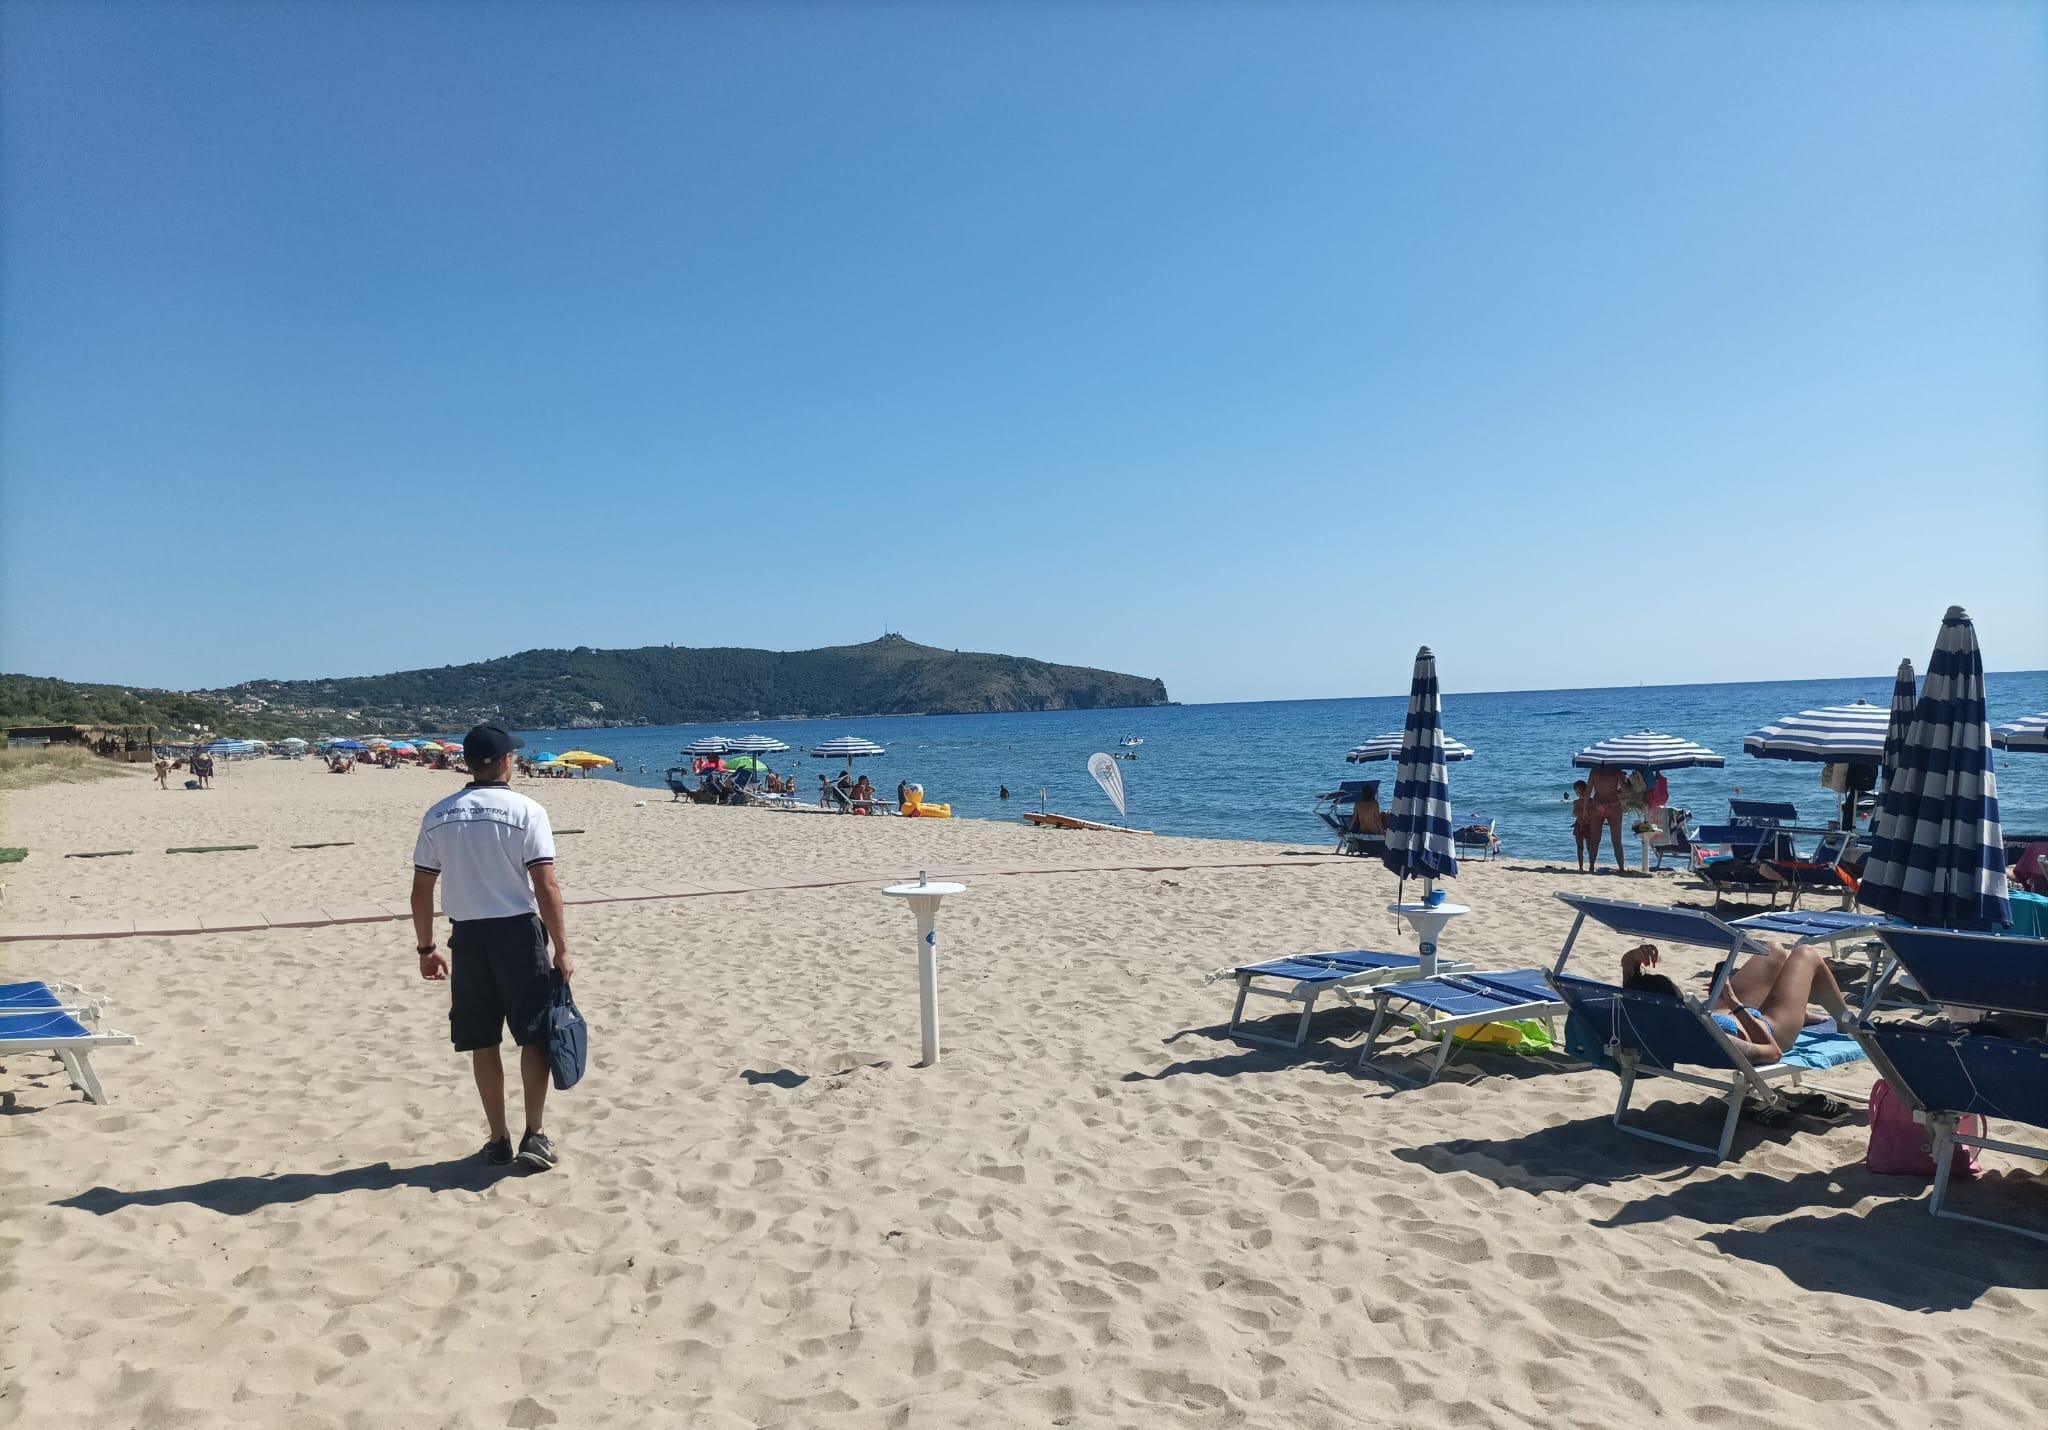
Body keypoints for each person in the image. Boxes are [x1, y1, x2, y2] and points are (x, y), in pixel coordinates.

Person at [411, 724, 575, 1172]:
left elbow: (421, 890)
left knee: (482, 1040)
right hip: (518, 935)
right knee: (535, 1035)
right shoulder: (527, 811)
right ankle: (534, 1133)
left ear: (468, 762)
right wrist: (562, 947)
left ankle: (498, 1138)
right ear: (506, 762)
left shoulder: (439, 814)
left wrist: (426, 947)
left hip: (467, 939)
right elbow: (546, 885)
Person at [1620, 941, 1850, 1066]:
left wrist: (1631, 958)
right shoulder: (1705, 1035)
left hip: (1725, 1012)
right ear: (1678, 1004)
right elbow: (1773, 1052)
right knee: (1806, 953)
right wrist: (1734, 1003)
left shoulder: (1639, 1016)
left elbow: (1632, 989)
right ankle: (1845, 1021)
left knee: (1773, 950)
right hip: (1769, 1026)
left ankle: (1803, 1012)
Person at [1586, 765, 1628, 870]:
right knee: (1617, 840)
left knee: (1595, 838)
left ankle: (1591, 866)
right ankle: (1621, 868)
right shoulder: (1616, 770)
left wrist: (1583, 811)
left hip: (1597, 805)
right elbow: (1625, 791)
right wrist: (1624, 779)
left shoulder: (1594, 771)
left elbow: (1588, 791)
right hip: (1614, 805)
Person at [1570, 780, 1596, 871]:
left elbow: (1593, 814)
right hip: (1578, 825)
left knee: (1589, 847)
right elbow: (1574, 814)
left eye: (1580, 790)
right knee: (1579, 846)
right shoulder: (1576, 802)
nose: (1578, 793)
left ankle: (1591, 865)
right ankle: (1580, 866)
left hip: (1588, 825)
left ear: (1585, 790)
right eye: (1576, 791)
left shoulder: (1591, 801)